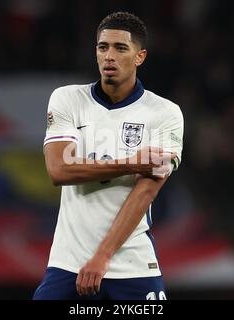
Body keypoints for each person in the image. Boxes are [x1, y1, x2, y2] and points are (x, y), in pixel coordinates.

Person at [33, 11, 184, 300]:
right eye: (103, 48)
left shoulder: (166, 113)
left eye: (120, 48)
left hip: (132, 267)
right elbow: (59, 171)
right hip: (68, 263)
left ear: (140, 57)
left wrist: (102, 257)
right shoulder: (67, 99)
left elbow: (145, 193)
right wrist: (130, 164)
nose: (109, 56)